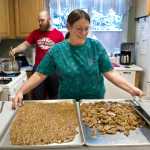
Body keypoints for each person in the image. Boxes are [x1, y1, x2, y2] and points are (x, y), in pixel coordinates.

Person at [12, 9, 143, 108]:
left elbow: (110, 73)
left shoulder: (96, 46)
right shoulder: (57, 50)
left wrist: (132, 89)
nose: (84, 33)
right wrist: (21, 91)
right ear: (68, 26)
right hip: (68, 104)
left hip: (94, 103)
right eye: (79, 29)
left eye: (86, 28)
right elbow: (40, 74)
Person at [10, 10, 64, 100]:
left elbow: (63, 53)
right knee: (38, 97)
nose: (39, 23)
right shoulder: (35, 33)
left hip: (53, 70)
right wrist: (15, 50)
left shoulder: (59, 35)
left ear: (49, 19)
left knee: (54, 97)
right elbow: (25, 45)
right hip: (38, 69)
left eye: (42, 20)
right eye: (39, 20)